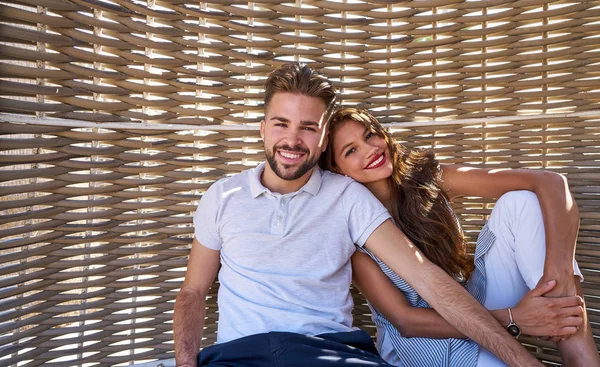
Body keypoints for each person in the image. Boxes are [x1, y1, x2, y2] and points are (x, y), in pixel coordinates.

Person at [173, 63, 550, 367]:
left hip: (331, 353)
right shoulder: (223, 195)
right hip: (240, 356)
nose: (292, 140)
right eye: (281, 124)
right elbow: (193, 291)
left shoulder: (348, 197)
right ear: (262, 129)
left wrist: (522, 362)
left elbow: (425, 275)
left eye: (308, 128)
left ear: (322, 142)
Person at [319, 107, 600, 367]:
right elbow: (406, 321)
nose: (370, 149)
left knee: (521, 203)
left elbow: (549, 182)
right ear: (336, 170)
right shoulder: (351, 230)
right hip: (422, 344)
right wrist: (516, 319)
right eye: (351, 150)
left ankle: (582, 359)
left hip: (472, 302)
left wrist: (558, 273)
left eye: (370, 135)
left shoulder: (426, 179)